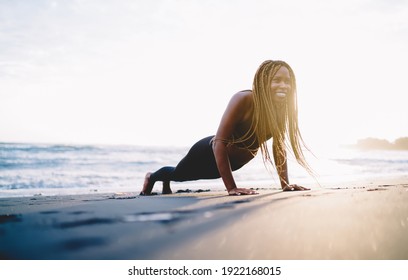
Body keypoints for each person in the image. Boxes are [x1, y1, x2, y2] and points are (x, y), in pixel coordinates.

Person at [141, 60, 312, 196]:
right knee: (180, 175)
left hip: (232, 163)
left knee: (181, 176)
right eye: (277, 80)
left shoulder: (280, 111)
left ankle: (166, 180)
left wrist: (285, 184)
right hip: (207, 153)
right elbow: (219, 142)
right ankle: (153, 177)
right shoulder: (244, 99)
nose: (284, 85)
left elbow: (278, 147)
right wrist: (231, 188)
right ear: (263, 82)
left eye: (287, 81)